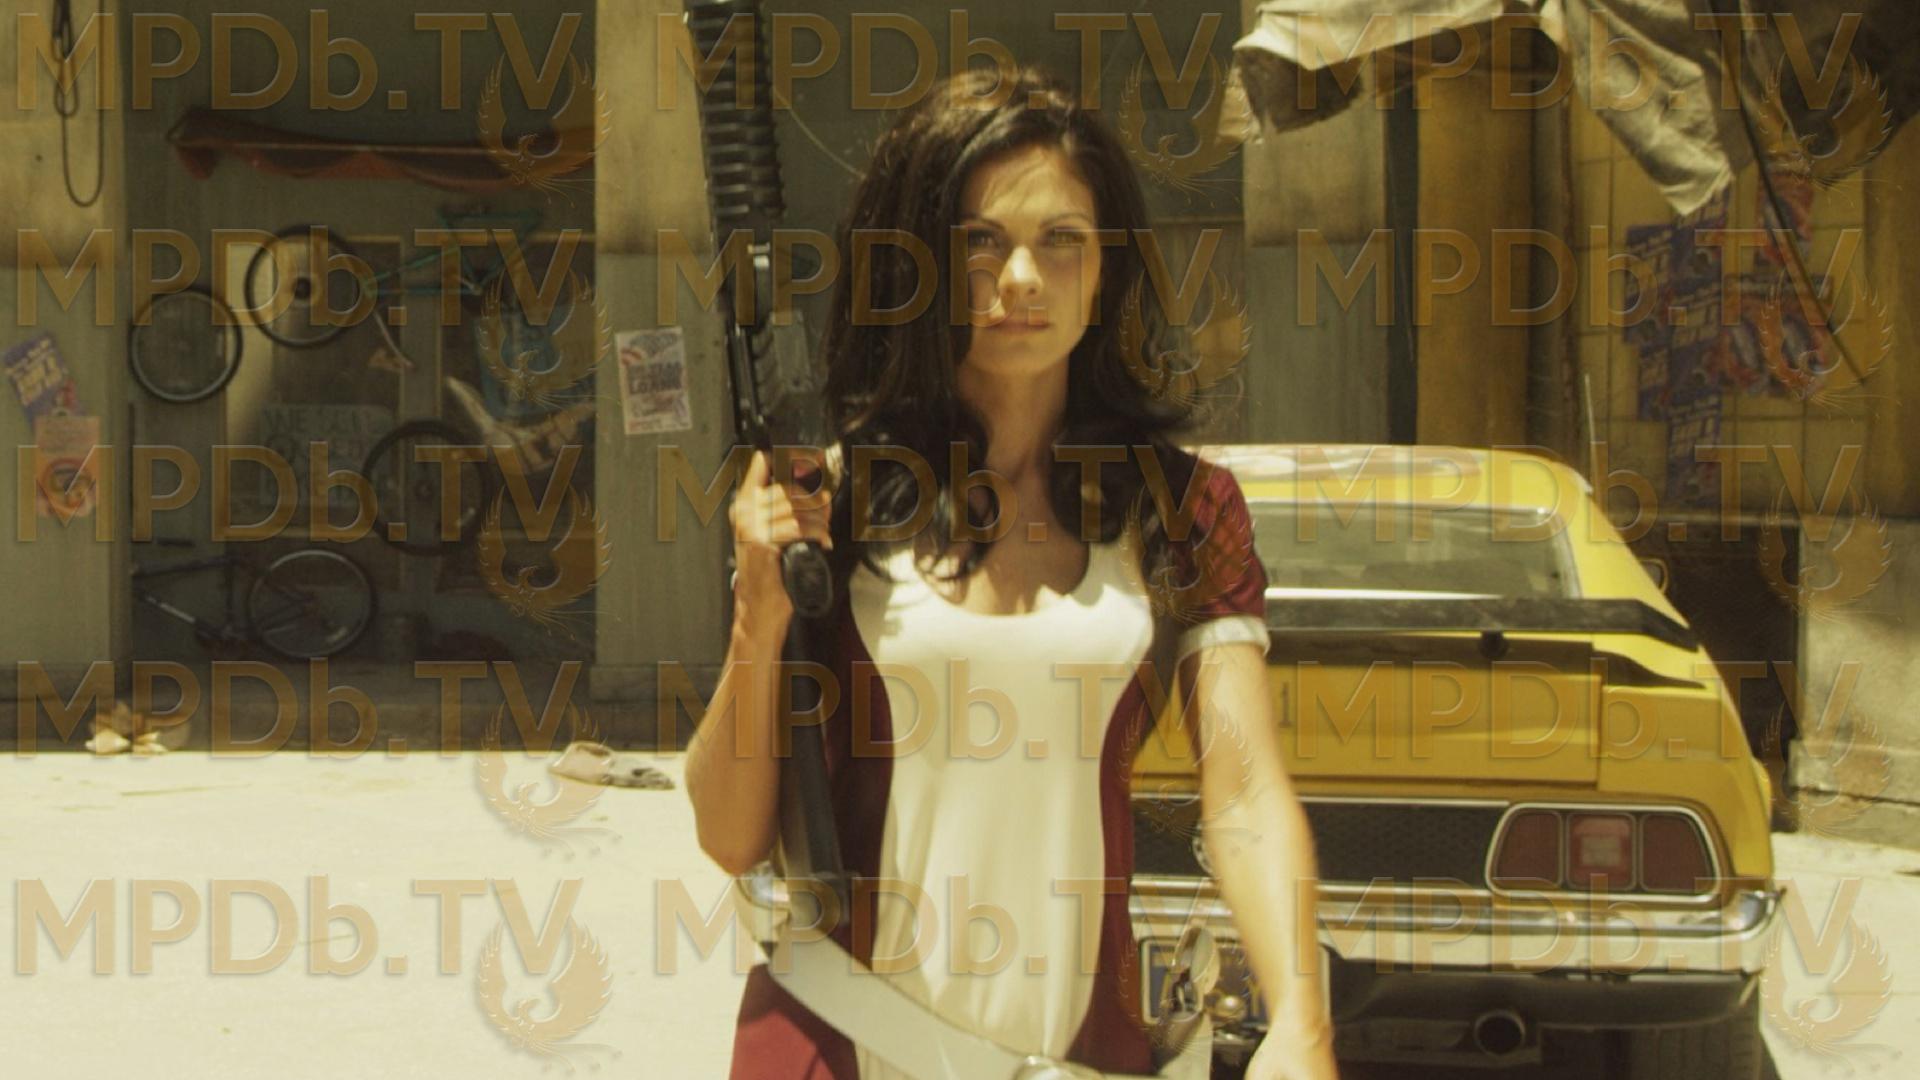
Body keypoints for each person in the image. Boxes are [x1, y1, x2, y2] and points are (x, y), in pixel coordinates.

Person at [685, 65, 1336, 1080]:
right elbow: (731, 836)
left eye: (1061, 240)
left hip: (1078, 1056)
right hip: (833, 1049)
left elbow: (1245, 789)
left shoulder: (1182, 510)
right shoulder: (826, 506)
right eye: (979, 243)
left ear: (1106, 268)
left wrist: (1301, 1021)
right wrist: (756, 617)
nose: (1022, 278)